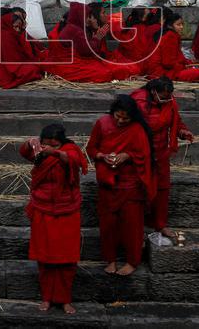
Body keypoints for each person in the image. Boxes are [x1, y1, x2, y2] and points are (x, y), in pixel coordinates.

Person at [19, 123, 88, 315]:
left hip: (67, 211)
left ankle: (65, 299)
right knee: (45, 258)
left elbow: (73, 160)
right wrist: (30, 143)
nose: (50, 147)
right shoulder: (40, 152)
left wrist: (55, 153)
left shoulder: (70, 149)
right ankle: (47, 297)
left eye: (55, 145)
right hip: (43, 209)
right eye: (46, 144)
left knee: (67, 259)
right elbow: (24, 152)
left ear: (62, 143)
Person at [86, 95, 153, 276]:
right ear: (112, 111)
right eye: (118, 116)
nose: (121, 121)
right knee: (108, 224)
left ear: (133, 117)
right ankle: (111, 260)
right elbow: (91, 149)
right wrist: (103, 156)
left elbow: (144, 155)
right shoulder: (102, 124)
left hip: (130, 185)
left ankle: (132, 260)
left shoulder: (137, 129)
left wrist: (128, 155)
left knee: (132, 225)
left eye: (126, 118)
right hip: (108, 183)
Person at [130, 77, 194, 242]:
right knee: (139, 186)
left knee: (162, 188)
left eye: (168, 96)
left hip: (161, 151)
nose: (166, 99)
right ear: (153, 92)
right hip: (139, 150)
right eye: (163, 96)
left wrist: (182, 132)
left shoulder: (170, 103)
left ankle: (160, 224)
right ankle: (137, 223)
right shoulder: (138, 101)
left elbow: (176, 122)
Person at [46, 3, 136, 83]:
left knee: (123, 67)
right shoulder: (75, 30)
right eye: (103, 13)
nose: (107, 15)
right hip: (68, 66)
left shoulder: (82, 28)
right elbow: (87, 51)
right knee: (106, 72)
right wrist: (97, 37)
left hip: (79, 61)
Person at [0, 9, 45, 88]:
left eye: (19, 27)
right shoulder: (4, 35)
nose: (17, 30)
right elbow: (12, 62)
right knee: (33, 69)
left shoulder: (10, 33)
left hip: (5, 66)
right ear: (8, 23)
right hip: (0, 71)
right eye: (15, 27)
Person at [146, 12, 199, 82]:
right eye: (178, 25)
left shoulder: (173, 35)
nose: (181, 27)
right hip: (160, 72)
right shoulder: (170, 36)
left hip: (165, 70)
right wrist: (184, 67)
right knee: (196, 73)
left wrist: (188, 63)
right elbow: (167, 63)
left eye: (182, 24)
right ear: (170, 26)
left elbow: (178, 57)